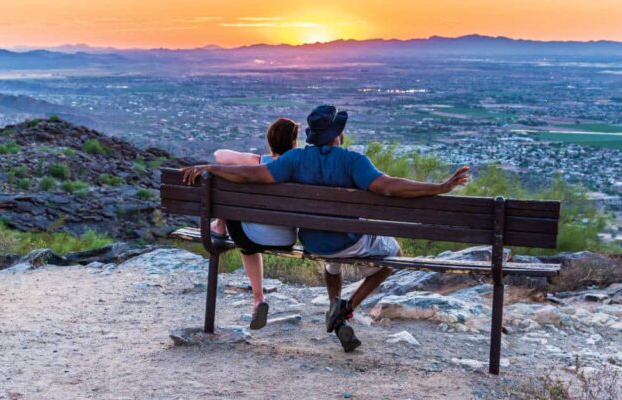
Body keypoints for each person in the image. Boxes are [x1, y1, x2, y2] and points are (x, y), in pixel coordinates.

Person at [181, 105, 469, 352]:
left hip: (313, 242)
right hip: (349, 241)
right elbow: (389, 187)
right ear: (337, 135)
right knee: (391, 256)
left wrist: (212, 168)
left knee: (332, 259)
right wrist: (439, 187)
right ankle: (345, 308)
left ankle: (334, 302)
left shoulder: (294, 158)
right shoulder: (353, 161)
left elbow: (251, 175)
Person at [209, 117, 300, 330]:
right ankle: (257, 299)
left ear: (270, 141)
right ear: (294, 143)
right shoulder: (299, 167)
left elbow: (219, 155)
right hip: (287, 239)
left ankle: (219, 227)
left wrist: (250, 158)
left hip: (251, 237)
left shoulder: (259, 162)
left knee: (227, 185)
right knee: (250, 242)